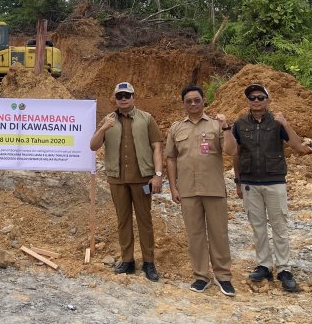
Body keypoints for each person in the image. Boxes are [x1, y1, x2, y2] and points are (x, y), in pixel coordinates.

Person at [224, 83, 312, 292]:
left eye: (260, 98)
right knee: (258, 227)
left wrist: (285, 124)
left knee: (279, 226)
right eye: (252, 98)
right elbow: (236, 154)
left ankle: (283, 269)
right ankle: (264, 265)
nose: (256, 101)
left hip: (274, 182)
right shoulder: (240, 124)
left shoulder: (277, 123)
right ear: (248, 101)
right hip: (249, 184)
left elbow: (298, 146)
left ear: (267, 100)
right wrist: (238, 181)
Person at [165, 85, 237, 296]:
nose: (193, 104)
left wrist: (226, 128)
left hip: (214, 188)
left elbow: (232, 151)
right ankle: (201, 276)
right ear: (184, 104)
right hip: (187, 190)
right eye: (189, 101)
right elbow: (171, 158)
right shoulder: (176, 128)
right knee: (195, 235)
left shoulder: (216, 125)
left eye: (197, 100)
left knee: (219, 234)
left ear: (203, 101)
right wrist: (173, 187)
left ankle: (223, 276)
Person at [89, 81, 163, 282]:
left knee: (144, 220)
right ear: (115, 98)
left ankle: (149, 262)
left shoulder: (146, 119)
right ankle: (128, 260)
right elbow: (93, 146)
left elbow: (157, 147)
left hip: (142, 179)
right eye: (119, 96)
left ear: (134, 97)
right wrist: (103, 128)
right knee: (123, 221)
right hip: (118, 179)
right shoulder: (108, 120)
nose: (123, 99)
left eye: (127, 95)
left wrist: (157, 174)